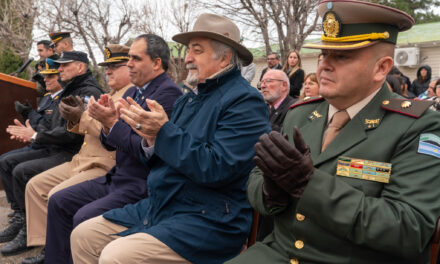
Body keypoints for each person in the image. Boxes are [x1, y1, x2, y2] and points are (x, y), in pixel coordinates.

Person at [228, 1, 440, 263]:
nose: (324, 65)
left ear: (381, 68)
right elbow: (257, 177)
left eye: (342, 56)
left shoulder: (416, 126)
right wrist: (272, 191)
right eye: (324, 54)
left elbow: (409, 229)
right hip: (278, 253)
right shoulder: (301, 114)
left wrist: (309, 184)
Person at [70, 13, 270, 264]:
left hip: (210, 219)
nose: (187, 58)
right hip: (163, 206)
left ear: (225, 58)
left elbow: (217, 168)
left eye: (197, 51)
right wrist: (150, 140)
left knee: (116, 256)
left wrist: (162, 132)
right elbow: (158, 160)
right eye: (188, 50)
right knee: (84, 235)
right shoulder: (188, 99)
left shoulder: (245, 101)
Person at [43, 34, 183, 264]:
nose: (129, 64)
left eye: (136, 59)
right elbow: (112, 142)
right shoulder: (133, 92)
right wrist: (108, 125)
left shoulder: (167, 95)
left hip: (141, 184)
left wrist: (110, 124)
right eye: (128, 59)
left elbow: (146, 150)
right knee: (59, 201)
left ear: (157, 63)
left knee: (83, 217)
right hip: (117, 178)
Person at [21, 44, 132, 264]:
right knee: (35, 185)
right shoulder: (110, 93)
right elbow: (81, 129)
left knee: (56, 196)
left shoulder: (128, 95)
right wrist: (75, 118)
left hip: (101, 164)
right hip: (80, 160)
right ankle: (46, 246)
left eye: (114, 66)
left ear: (130, 67)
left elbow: (110, 133)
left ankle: (59, 252)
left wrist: (80, 116)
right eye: (107, 66)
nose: (108, 71)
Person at [0, 51, 103, 256]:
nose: (59, 69)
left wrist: (35, 136)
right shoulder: (71, 89)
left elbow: (71, 135)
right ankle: (23, 220)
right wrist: (32, 130)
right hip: (56, 147)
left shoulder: (86, 92)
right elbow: (55, 125)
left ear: (80, 68)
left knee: (22, 171)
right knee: (7, 162)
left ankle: (31, 230)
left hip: (71, 153)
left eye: (64, 66)